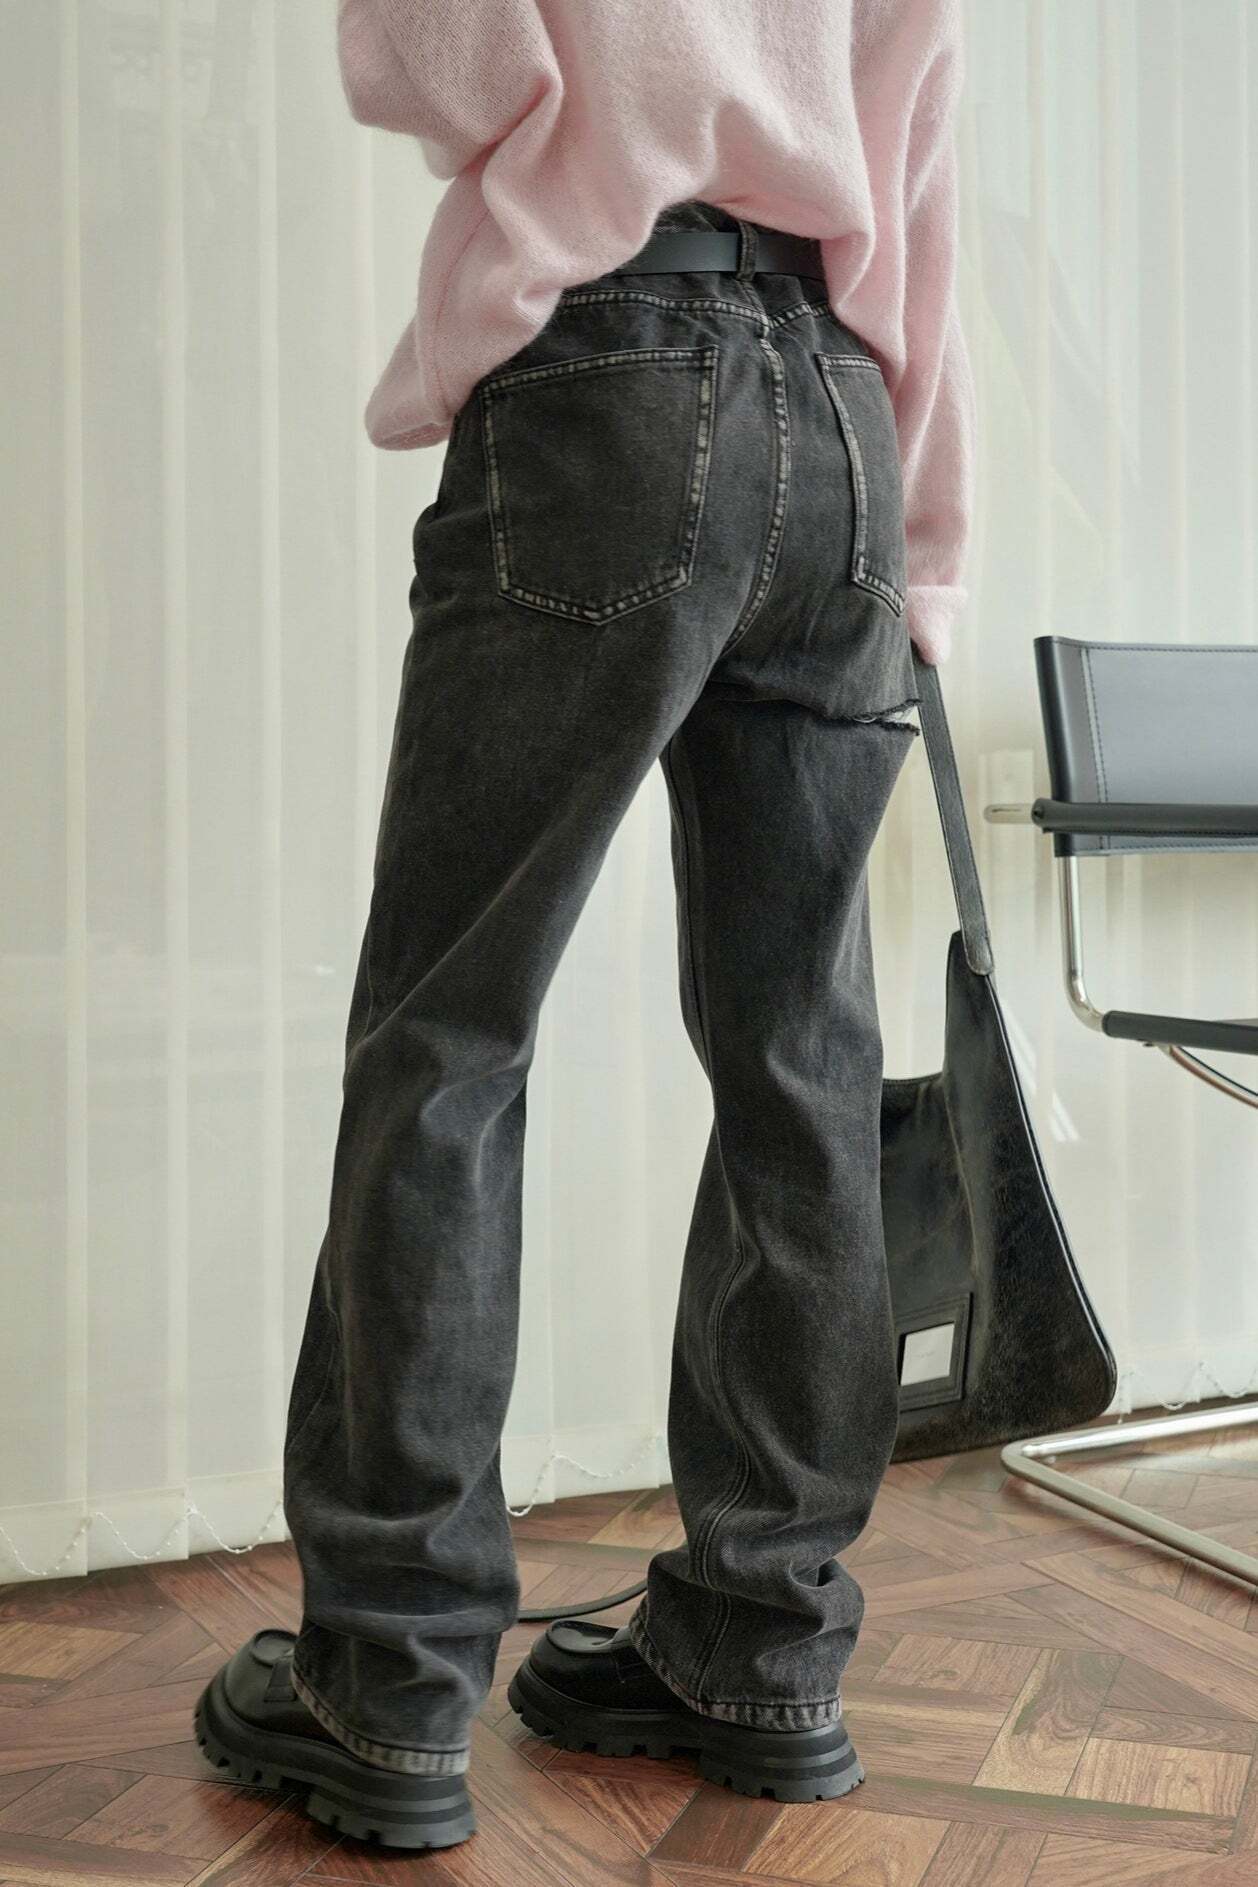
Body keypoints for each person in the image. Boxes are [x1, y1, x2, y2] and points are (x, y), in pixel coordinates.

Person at [194, 0, 975, 1851]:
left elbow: (438, 64)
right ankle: (757, 1651)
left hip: (613, 380)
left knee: (449, 1040)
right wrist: (926, 544)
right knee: (801, 1060)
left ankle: (388, 1684)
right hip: (847, 423)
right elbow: (918, 185)